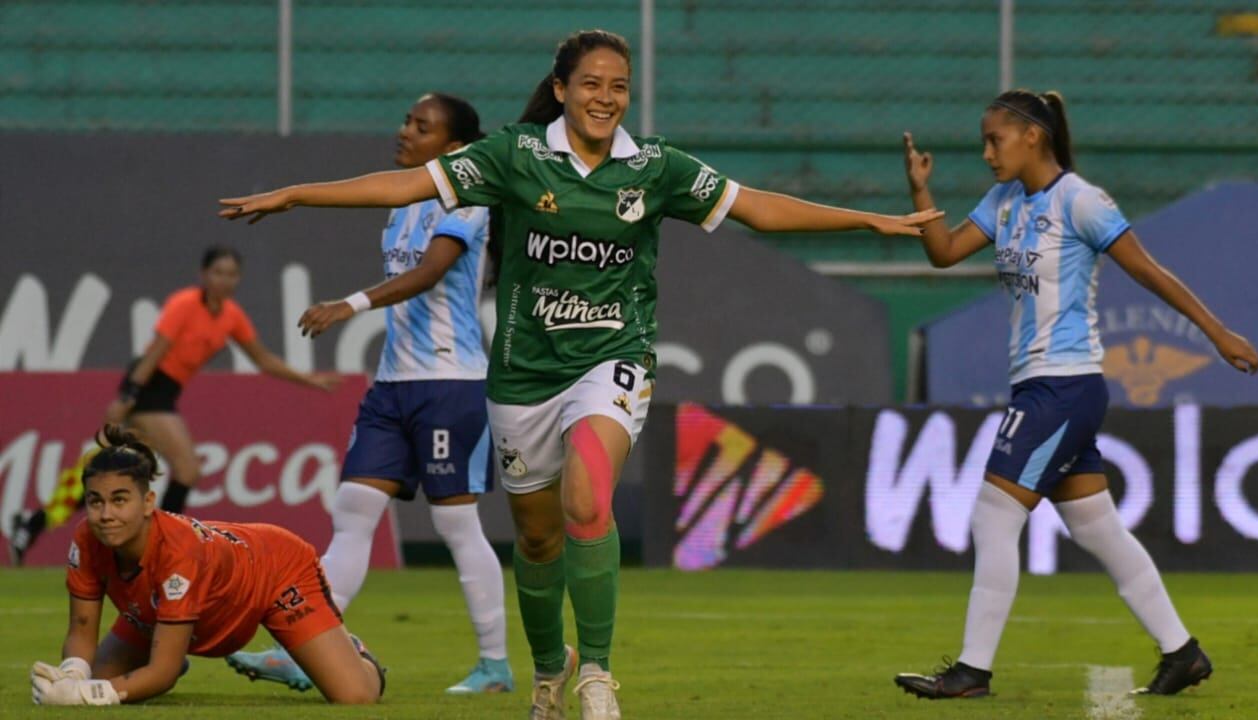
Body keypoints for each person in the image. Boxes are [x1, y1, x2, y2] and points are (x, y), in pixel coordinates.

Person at [218, 29, 942, 720]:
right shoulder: (516, 154)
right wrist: (295, 194)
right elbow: (404, 186)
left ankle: (596, 671)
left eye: (619, 86)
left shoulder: (655, 167)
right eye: (592, 84)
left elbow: (756, 207)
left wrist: (867, 220)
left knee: (588, 498)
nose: (606, 97)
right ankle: (547, 670)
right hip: (523, 376)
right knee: (536, 542)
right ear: (562, 89)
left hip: (613, 357)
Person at [892, 89, 1258, 700]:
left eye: (995, 140)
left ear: (1033, 136)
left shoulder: (1080, 200)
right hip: (1046, 385)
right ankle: (1183, 653)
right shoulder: (1004, 201)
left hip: (1063, 385)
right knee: (1096, 528)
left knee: (993, 514)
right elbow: (944, 253)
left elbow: (1148, 271)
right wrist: (920, 192)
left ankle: (972, 671)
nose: (987, 153)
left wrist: (1217, 332)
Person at [224, 92, 513, 696]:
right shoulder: (403, 203)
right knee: (353, 510)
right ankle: (305, 650)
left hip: (449, 382)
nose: (405, 131)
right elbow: (363, 195)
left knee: (456, 524)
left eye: (421, 126)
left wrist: (349, 305)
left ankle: (494, 666)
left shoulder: (470, 199)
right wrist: (293, 195)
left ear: (453, 148)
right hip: (393, 385)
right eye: (407, 120)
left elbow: (430, 272)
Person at [8, 247, 337, 565]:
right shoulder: (184, 304)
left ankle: (32, 524)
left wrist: (309, 380)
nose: (225, 280)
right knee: (186, 469)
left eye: (232, 274)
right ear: (204, 274)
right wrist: (126, 398)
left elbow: (263, 360)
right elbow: (155, 352)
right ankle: (161, 545)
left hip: (165, 392)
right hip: (148, 387)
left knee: (106, 467)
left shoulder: (231, 315)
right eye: (218, 272)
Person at [28, 425, 386, 706]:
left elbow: (163, 674)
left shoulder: (178, 553)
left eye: (119, 500)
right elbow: (81, 630)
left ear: (148, 502)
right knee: (99, 677)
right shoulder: (86, 539)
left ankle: (351, 648)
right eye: (95, 502)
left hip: (273, 572)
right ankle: (162, 648)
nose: (106, 514)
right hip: (159, 610)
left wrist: (85, 695)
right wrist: (72, 676)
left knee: (355, 695)